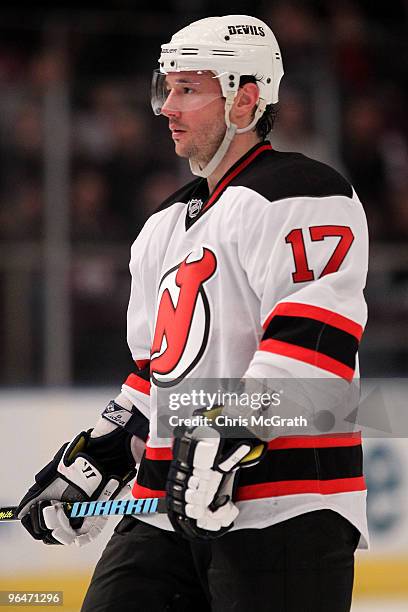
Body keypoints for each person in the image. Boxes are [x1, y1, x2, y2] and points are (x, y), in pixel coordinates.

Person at [17, 14, 369, 612]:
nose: (166, 107)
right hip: (166, 507)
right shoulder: (162, 225)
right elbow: (155, 374)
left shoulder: (302, 192)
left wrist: (221, 433)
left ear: (245, 100)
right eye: (166, 89)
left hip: (284, 507)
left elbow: (312, 349)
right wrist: (99, 450)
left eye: (188, 90)